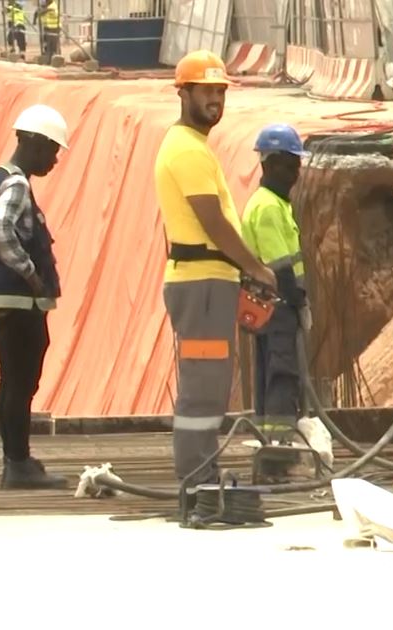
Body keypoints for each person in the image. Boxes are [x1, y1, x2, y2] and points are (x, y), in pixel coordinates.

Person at [154, 50, 276, 489]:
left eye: (220, 91)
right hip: (202, 283)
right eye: (206, 90)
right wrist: (256, 268)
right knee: (204, 387)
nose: (215, 99)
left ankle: (201, 474)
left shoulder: (195, 147)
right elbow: (213, 222)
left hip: (210, 282)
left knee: (210, 384)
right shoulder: (186, 150)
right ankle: (197, 481)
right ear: (183, 93)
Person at [0, 104, 69, 490]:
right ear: (34, 143)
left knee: (12, 381)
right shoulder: (18, 184)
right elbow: (0, 229)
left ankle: (16, 461)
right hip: (19, 301)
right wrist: (30, 275)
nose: (55, 159)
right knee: (21, 380)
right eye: (52, 149)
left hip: (4, 301)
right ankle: (17, 465)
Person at [240, 124, 311, 447]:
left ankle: (270, 442)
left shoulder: (274, 203)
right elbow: (280, 266)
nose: (295, 173)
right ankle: (279, 446)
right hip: (277, 304)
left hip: (268, 305)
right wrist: (299, 303)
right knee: (282, 373)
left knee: (271, 372)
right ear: (268, 165)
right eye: (288, 164)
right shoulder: (268, 206)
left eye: (296, 164)